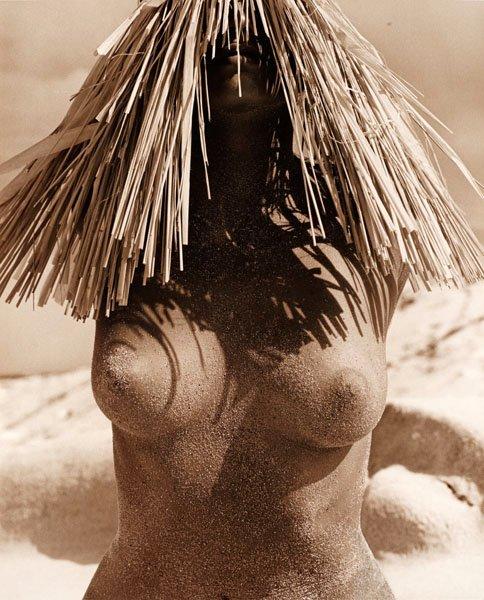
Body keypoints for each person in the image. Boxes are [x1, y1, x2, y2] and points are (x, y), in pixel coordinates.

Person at [86, 41, 403, 600]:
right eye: (217, 41)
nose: (237, 50)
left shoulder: (366, 252)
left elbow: (382, 159)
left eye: (258, 37)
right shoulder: (123, 250)